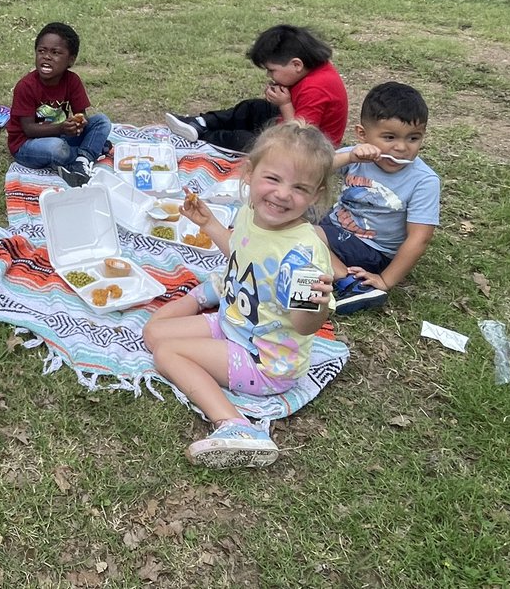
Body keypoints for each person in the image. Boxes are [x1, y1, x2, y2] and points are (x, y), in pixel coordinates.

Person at [143, 121, 337, 469]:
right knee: (153, 332)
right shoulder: (251, 213)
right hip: (234, 322)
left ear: (316, 195)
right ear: (249, 172)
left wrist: (317, 306)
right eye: (273, 179)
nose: (282, 194)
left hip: (266, 360)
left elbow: (304, 326)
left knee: (167, 353)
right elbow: (241, 249)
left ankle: (235, 425)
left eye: (299, 187)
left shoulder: (301, 255)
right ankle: (210, 292)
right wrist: (209, 225)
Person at [320, 82, 441, 314]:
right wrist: (349, 158)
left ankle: (351, 283)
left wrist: (385, 280)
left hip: (373, 249)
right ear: (363, 135)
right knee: (293, 208)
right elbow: (313, 170)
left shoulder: (424, 180)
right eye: (389, 137)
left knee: (299, 232)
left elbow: (420, 238)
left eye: (413, 138)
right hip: (337, 227)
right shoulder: (356, 156)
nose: (401, 148)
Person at [165, 25, 348, 151]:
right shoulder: (312, 68)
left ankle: (202, 137)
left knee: (243, 139)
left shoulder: (316, 88)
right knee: (251, 107)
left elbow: (301, 138)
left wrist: (284, 104)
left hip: (306, 150)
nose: (269, 75)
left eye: (272, 70)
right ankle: (200, 123)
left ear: (297, 65)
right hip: (289, 124)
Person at [5, 21, 112, 187]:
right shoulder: (25, 86)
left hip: (59, 134)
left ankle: (80, 161)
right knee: (57, 147)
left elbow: (81, 115)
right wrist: (62, 128)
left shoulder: (73, 81)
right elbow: (28, 129)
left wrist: (79, 123)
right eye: (41, 51)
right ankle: (90, 151)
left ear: (70, 60)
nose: (46, 56)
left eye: (55, 52)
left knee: (101, 121)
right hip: (27, 145)